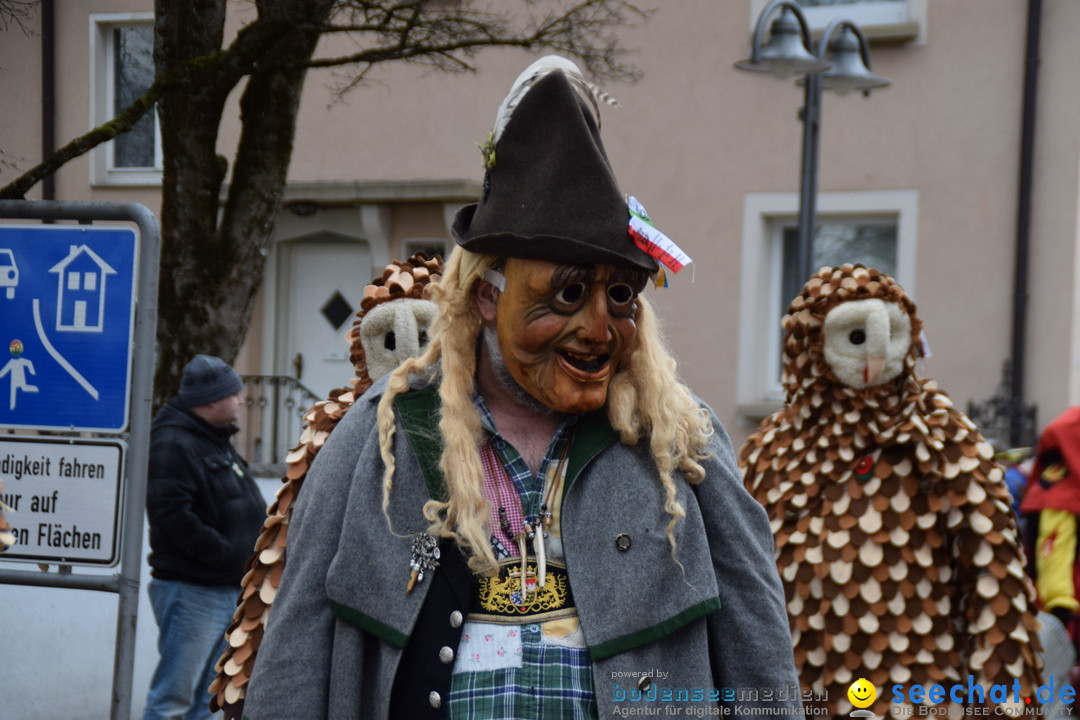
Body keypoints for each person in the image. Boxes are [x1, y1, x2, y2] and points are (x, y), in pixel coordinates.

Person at [243, 56, 801, 719]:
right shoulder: (384, 434)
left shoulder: (681, 442)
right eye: (566, 294)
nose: (598, 329)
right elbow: (294, 664)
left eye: (618, 297)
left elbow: (760, 660)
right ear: (486, 296)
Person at [144, 354, 267, 720]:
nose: (242, 400)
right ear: (212, 399)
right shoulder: (172, 442)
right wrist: (228, 554)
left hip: (223, 588)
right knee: (172, 700)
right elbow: (170, 515)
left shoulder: (212, 439)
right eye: (234, 394)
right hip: (192, 591)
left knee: (208, 701)